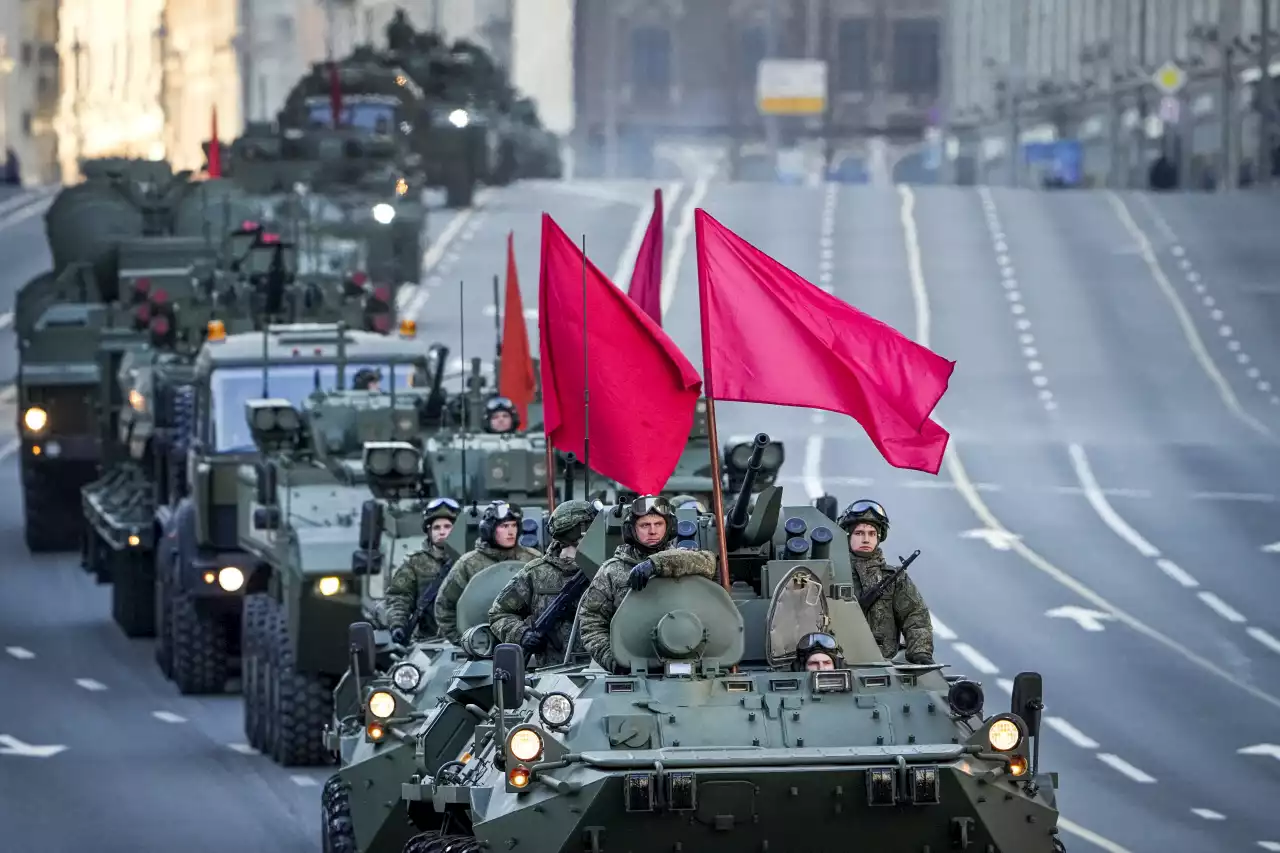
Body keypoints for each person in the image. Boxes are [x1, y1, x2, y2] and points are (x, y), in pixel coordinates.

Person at [577, 495, 719, 673]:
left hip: (691, 662)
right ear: (632, 530)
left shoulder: (686, 560)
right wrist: (614, 660)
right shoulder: (611, 571)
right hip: (634, 667)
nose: (652, 531)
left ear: (669, 527)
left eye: (658, 524)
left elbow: (709, 562)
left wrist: (655, 564)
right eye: (645, 525)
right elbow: (591, 621)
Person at [488, 500, 598, 666]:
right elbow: (499, 614)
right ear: (576, 531)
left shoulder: (606, 568)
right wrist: (522, 634)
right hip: (553, 674)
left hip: (602, 671)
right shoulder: (536, 572)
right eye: (590, 527)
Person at [838, 499, 933, 664]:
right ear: (847, 535)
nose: (866, 539)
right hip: (838, 662)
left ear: (879, 537)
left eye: (872, 533)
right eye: (859, 533)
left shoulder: (894, 578)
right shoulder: (832, 573)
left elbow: (915, 616)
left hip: (885, 663)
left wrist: (920, 653)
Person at [434, 501, 540, 642]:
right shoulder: (469, 564)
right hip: (483, 644)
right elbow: (444, 606)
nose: (511, 531)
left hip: (528, 642)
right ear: (488, 529)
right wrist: (463, 641)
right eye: (504, 526)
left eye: (514, 525)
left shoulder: (533, 559)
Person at [381, 497, 459, 643]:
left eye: (447, 527)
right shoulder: (415, 563)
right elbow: (400, 596)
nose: (442, 532)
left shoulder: (471, 560)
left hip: (469, 640)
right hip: (427, 641)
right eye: (436, 527)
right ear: (428, 531)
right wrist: (398, 624)